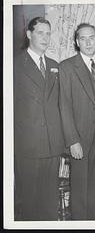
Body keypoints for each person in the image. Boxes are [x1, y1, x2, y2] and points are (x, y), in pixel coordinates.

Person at [59, 23, 95, 220]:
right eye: (83, 38)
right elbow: (63, 106)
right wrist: (73, 140)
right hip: (80, 139)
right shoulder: (66, 67)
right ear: (76, 42)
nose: (88, 42)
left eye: (92, 37)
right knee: (80, 191)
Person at [14, 17, 65, 220]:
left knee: (49, 201)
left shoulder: (55, 66)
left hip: (53, 146)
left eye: (48, 33)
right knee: (30, 202)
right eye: (40, 33)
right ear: (29, 35)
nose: (45, 37)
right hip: (29, 146)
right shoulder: (15, 65)